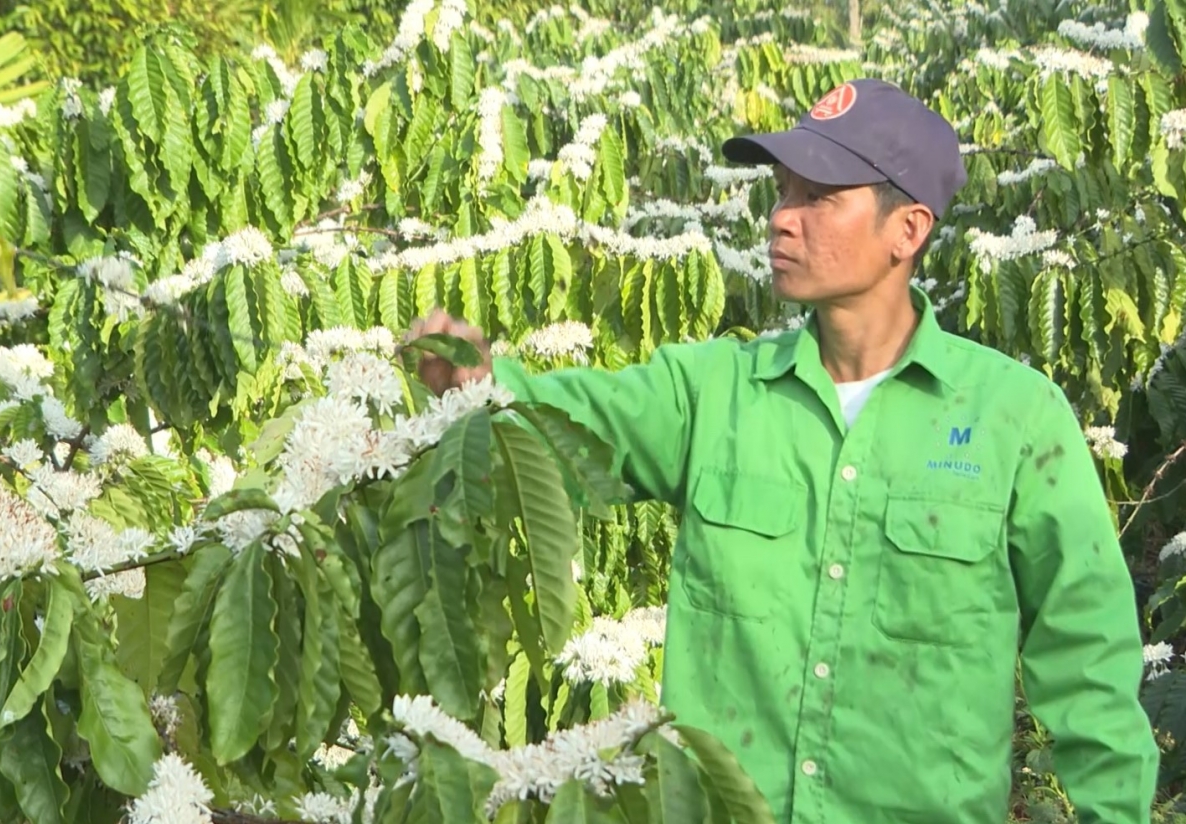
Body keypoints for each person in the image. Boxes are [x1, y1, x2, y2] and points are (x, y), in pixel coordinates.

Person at [408, 78, 1160, 823]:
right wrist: (478, 381)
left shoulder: (1016, 420)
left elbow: (1087, 661)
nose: (781, 219)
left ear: (909, 230)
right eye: (783, 190)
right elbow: (570, 421)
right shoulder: (713, 395)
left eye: (819, 196)